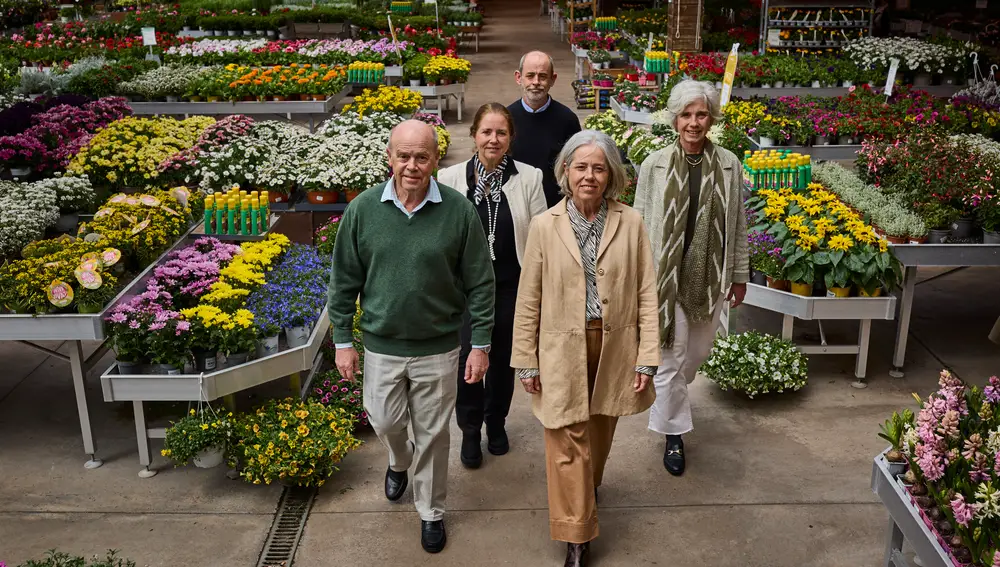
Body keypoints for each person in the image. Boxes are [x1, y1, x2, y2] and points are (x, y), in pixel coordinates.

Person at [326, 120, 496, 554]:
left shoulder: (458, 211)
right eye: (404, 156)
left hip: (438, 347)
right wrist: (343, 340)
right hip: (382, 345)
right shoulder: (363, 210)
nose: (412, 165)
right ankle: (399, 459)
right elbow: (344, 281)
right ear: (389, 158)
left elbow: (480, 282)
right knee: (383, 420)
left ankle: (431, 512)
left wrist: (480, 344)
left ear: (437, 160)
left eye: (422, 156)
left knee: (435, 435)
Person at [511, 130, 660, 567]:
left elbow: (647, 292)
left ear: (611, 174)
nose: (589, 176)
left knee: (598, 432)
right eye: (581, 167)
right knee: (566, 438)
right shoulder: (545, 225)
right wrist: (525, 360)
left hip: (613, 344)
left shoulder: (631, 222)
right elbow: (529, 299)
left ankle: (585, 489)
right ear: (565, 172)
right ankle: (577, 534)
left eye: (598, 167)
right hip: (559, 348)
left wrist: (647, 355)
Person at [633, 80, 749, 477]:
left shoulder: (730, 164)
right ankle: (674, 436)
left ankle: (672, 396)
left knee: (695, 356)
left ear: (711, 118)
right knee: (669, 360)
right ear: (674, 119)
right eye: (686, 114)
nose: (694, 123)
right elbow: (639, 221)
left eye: (701, 114)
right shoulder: (655, 164)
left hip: (710, 276)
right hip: (665, 278)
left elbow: (737, 224)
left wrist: (739, 274)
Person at [437, 103, 548, 469]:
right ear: (473, 136)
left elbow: (539, 236)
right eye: (486, 131)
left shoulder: (529, 177)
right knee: (469, 359)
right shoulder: (451, 178)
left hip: (510, 286)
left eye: (501, 132)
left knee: (502, 360)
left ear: (510, 138)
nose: (493, 139)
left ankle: (495, 422)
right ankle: (469, 429)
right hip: (465, 291)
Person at [507, 50, 582, 207]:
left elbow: (577, 166)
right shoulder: (506, 119)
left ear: (553, 79)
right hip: (514, 205)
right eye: (530, 75)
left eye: (542, 76)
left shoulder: (567, 120)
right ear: (518, 78)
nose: (536, 82)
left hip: (555, 207)